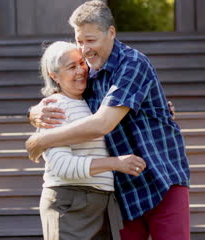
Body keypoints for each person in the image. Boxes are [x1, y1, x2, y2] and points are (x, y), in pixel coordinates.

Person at [27, 0, 190, 240]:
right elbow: (62, 97)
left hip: (160, 180)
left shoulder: (132, 64)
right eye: (79, 41)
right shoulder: (88, 72)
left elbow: (102, 124)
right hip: (123, 191)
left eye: (91, 40)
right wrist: (33, 113)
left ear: (111, 33)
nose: (84, 49)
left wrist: (41, 140)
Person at [36, 41, 146, 240]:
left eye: (82, 63)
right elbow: (62, 166)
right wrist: (115, 163)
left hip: (103, 203)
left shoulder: (94, 102)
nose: (81, 70)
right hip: (70, 202)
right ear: (55, 76)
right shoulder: (53, 108)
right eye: (71, 67)